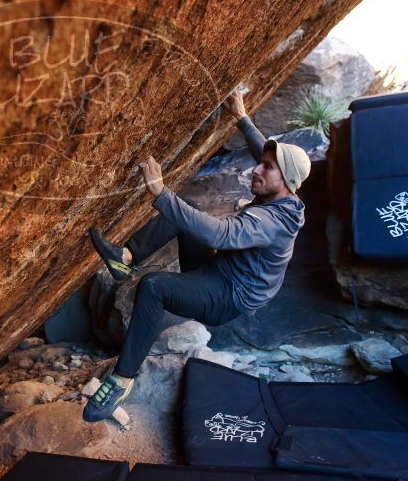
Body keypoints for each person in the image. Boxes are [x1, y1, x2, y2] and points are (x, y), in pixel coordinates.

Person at [82, 90, 312, 423]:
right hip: (219, 270)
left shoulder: (273, 220)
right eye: (260, 162)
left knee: (154, 287)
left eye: (267, 167)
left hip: (227, 297)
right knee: (187, 212)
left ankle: (121, 380)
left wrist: (161, 192)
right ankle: (126, 257)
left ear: (286, 180)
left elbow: (220, 234)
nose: (257, 169)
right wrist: (241, 117)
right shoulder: (282, 190)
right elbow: (265, 152)